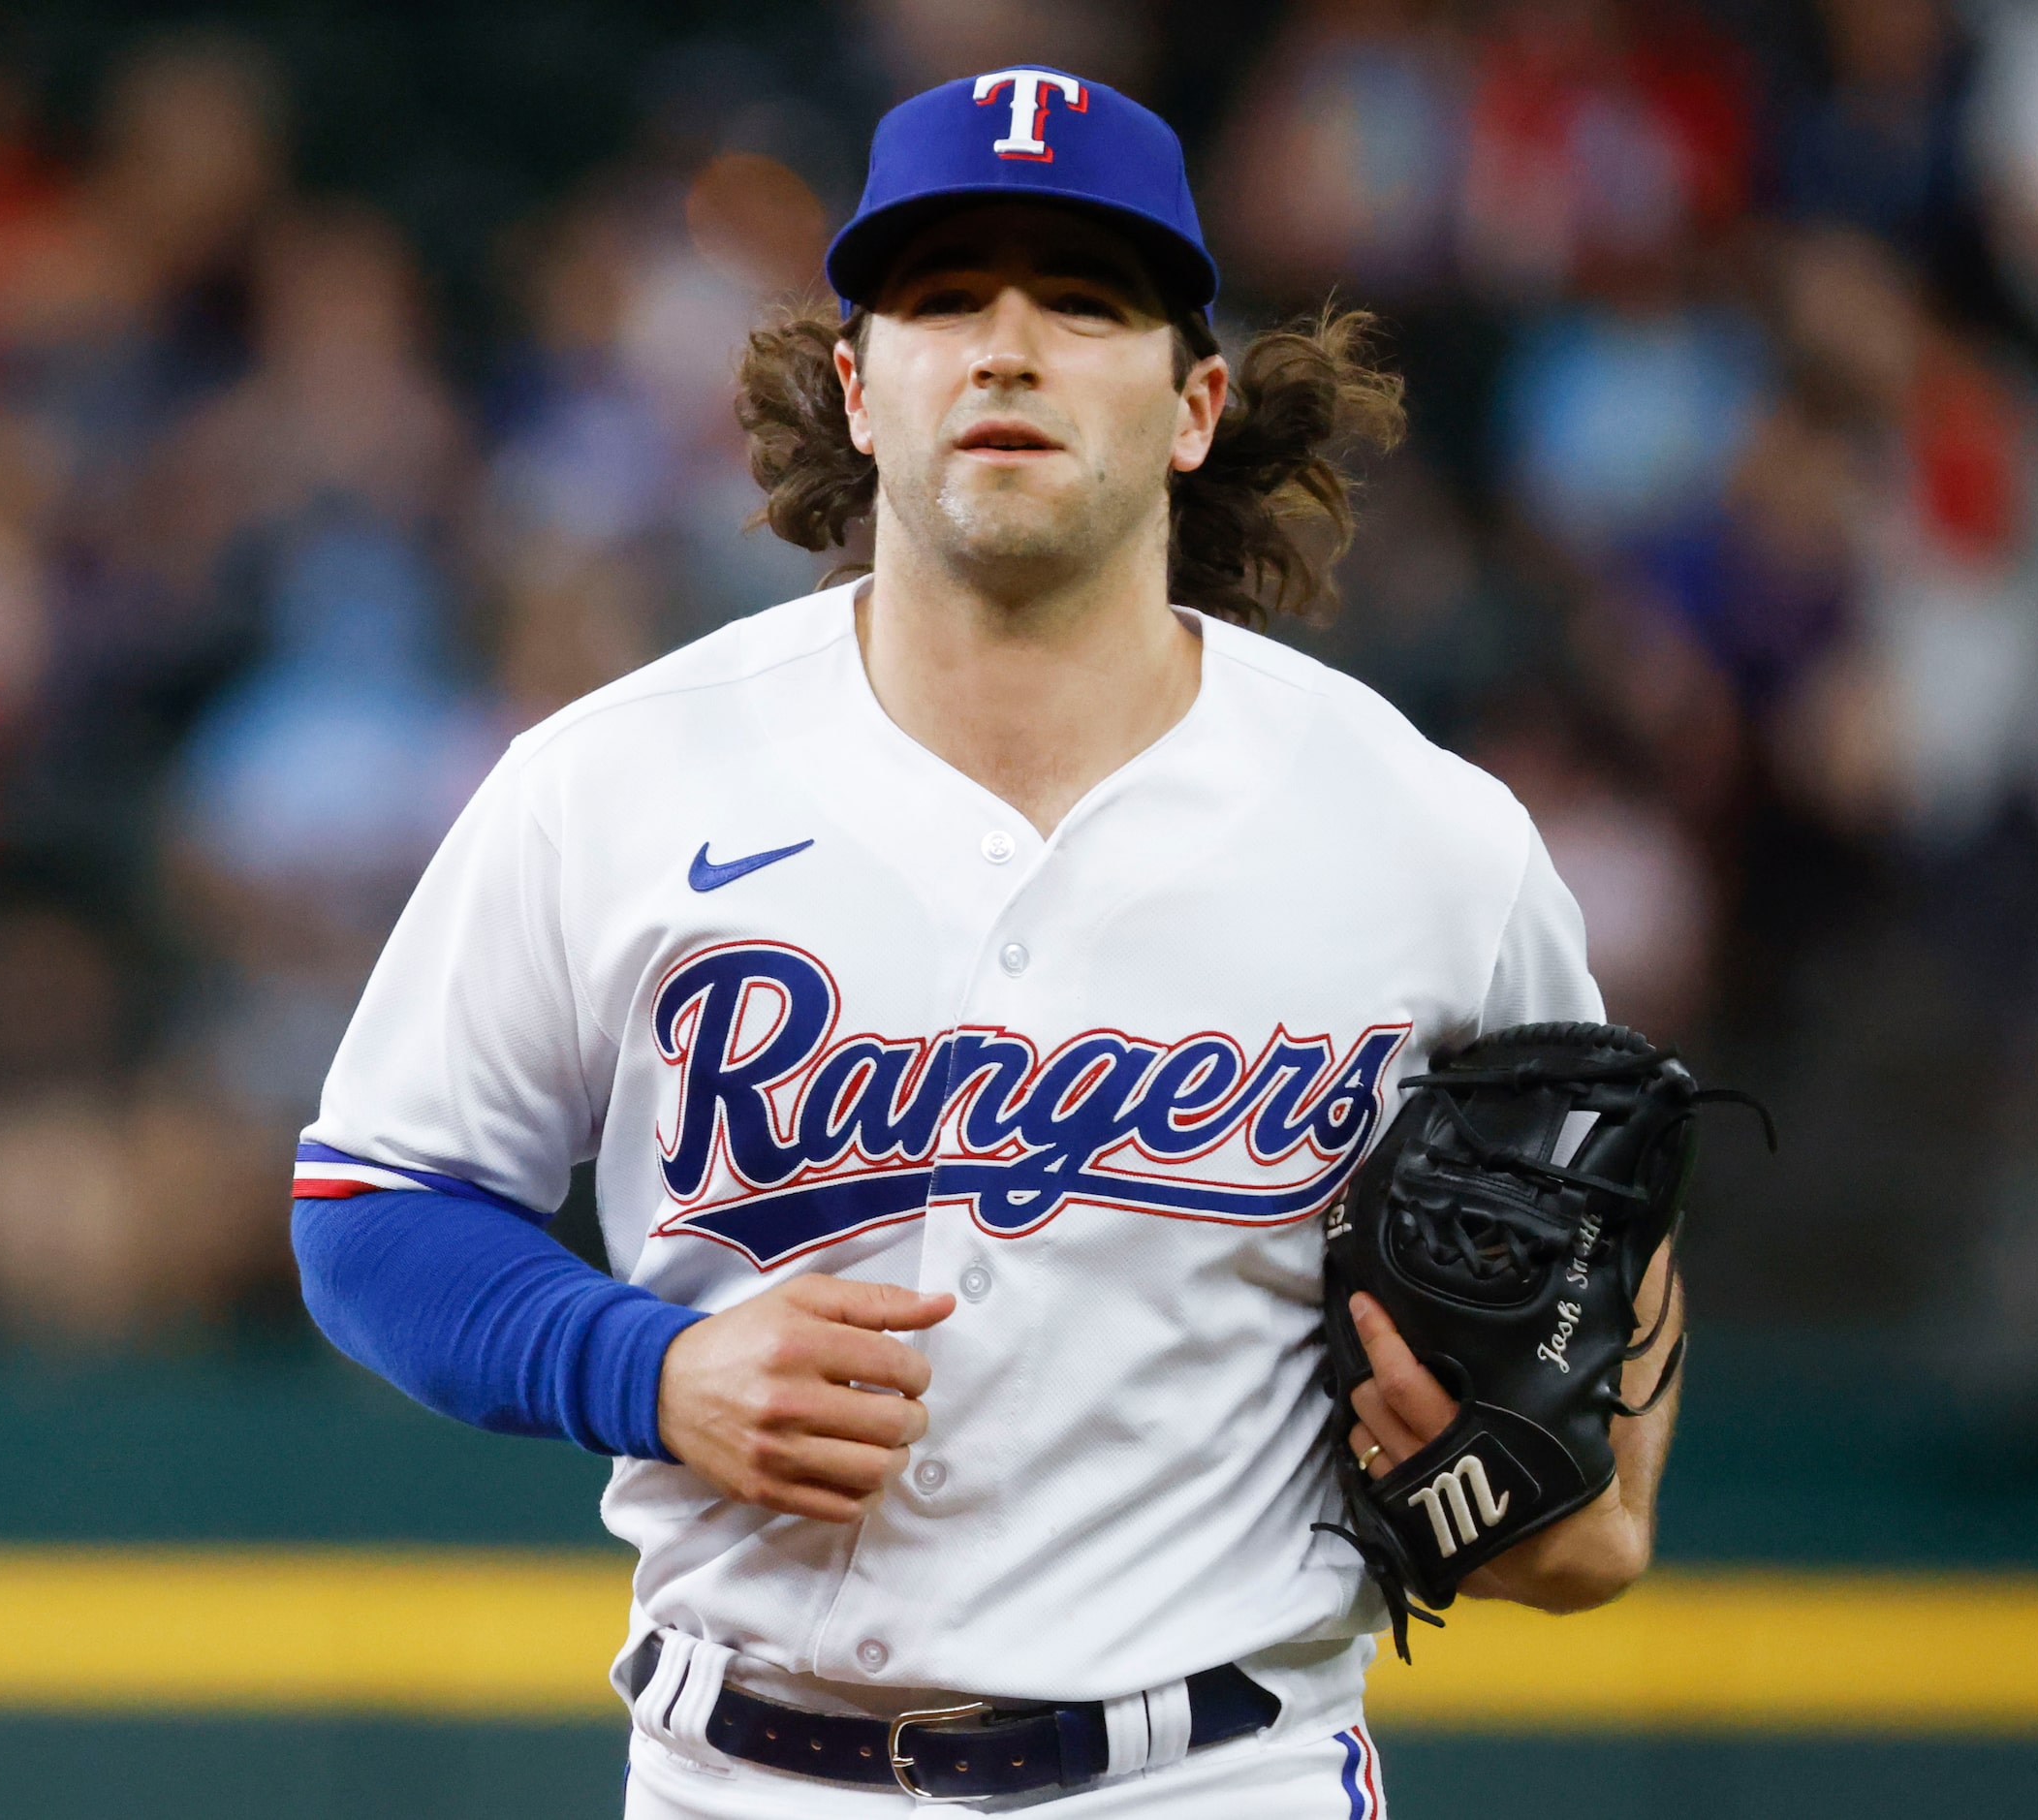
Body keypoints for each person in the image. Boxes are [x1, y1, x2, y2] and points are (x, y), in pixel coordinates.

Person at [292, 65, 1677, 1815]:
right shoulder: (613, 781)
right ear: (863, 392)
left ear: (1195, 405)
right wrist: (642, 1368)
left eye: (1083, 305)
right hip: (744, 1773)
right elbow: (368, 1206)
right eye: (947, 300)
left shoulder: (1420, 831)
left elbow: (1606, 1167)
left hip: (1213, 1770)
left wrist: (1608, 1489)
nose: (1008, 348)